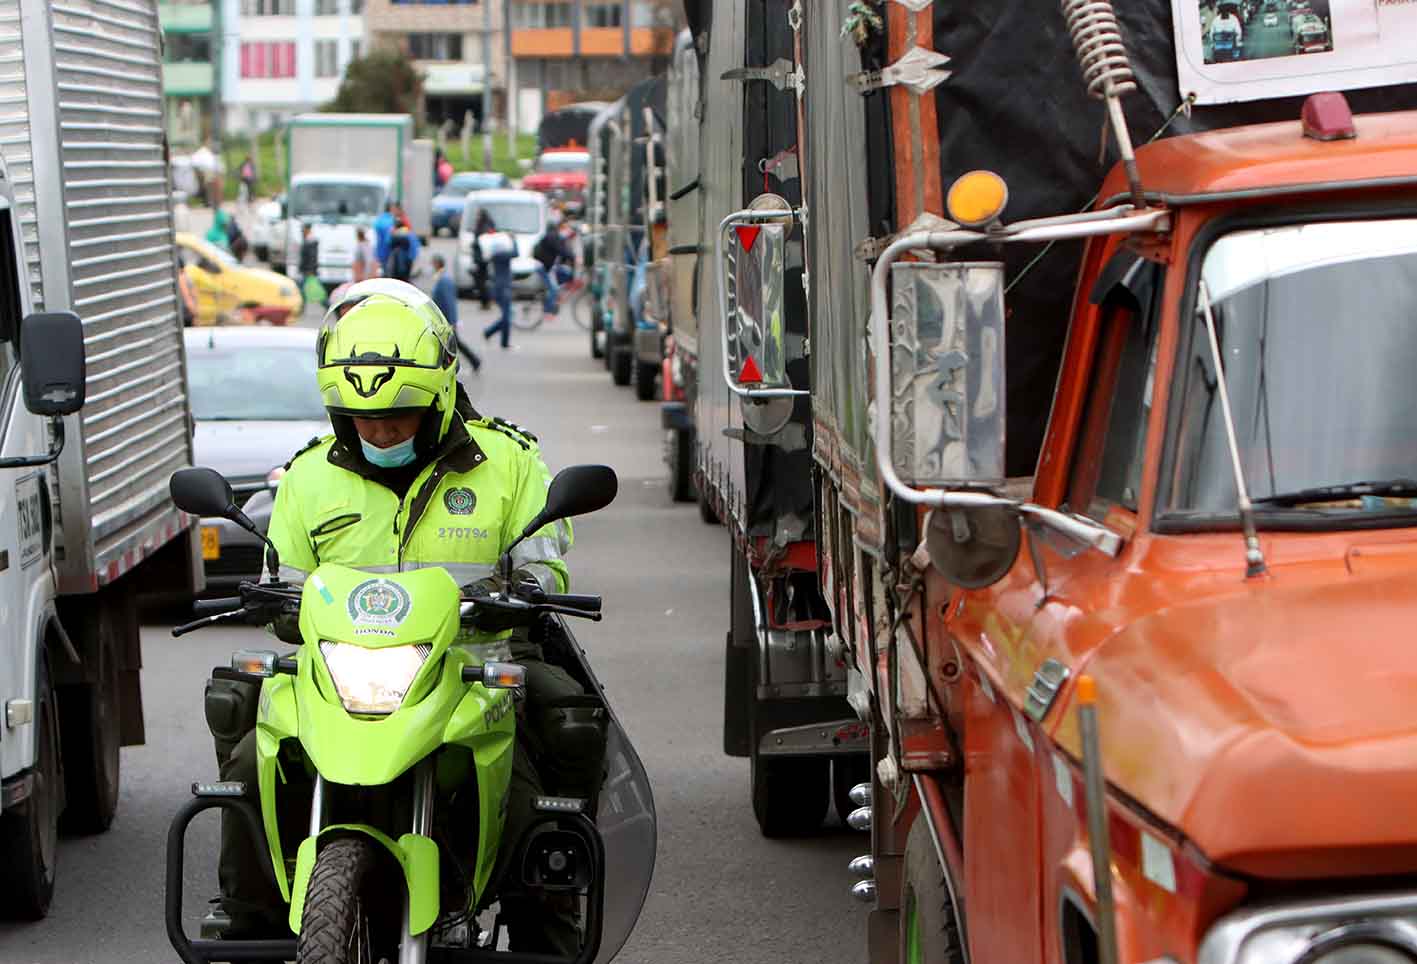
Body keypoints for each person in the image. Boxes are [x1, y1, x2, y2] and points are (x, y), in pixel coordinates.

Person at [216, 280, 582, 956]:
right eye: (363, 418)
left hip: (475, 664)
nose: (380, 430)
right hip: (339, 671)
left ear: (439, 398)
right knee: (247, 749)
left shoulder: (509, 462)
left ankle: (551, 917)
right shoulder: (306, 477)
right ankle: (249, 916)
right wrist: (272, 600)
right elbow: (286, 587)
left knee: (565, 724)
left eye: (398, 415)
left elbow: (546, 568)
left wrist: (527, 589)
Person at [431, 252, 480, 372]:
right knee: (451, 345)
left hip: (446, 321)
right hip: (444, 320)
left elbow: (449, 303)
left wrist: (452, 322)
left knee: (453, 345)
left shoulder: (444, 280)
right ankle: (472, 362)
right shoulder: (442, 278)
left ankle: (474, 361)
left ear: (437, 264)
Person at [481, 227, 517, 349]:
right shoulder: (502, 254)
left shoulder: (494, 254)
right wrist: (513, 240)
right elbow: (515, 253)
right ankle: (502, 341)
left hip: (498, 287)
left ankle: (490, 333)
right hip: (503, 288)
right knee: (507, 317)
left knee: (507, 316)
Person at [471, 208, 495, 310]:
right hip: (480, 259)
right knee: (481, 280)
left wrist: (475, 244)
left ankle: (486, 300)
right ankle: (485, 301)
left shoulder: (484, 226)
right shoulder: (483, 225)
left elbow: (483, 242)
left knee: (481, 281)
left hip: (482, 259)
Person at [298, 223, 322, 305]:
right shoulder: (308, 240)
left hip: (309, 270)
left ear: (307, 230)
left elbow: (312, 257)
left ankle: (328, 304)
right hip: (307, 270)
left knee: (303, 289)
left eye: (303, 229)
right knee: (304, 289)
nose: (302, 231)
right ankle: (301, 306)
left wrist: (310, 270)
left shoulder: (311, 241)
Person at [373, 202, 396, 267]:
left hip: (379, 248)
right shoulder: (391, 220)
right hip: (387, 249)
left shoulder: (379, 219)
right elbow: (388, 237)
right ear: (391, 209)